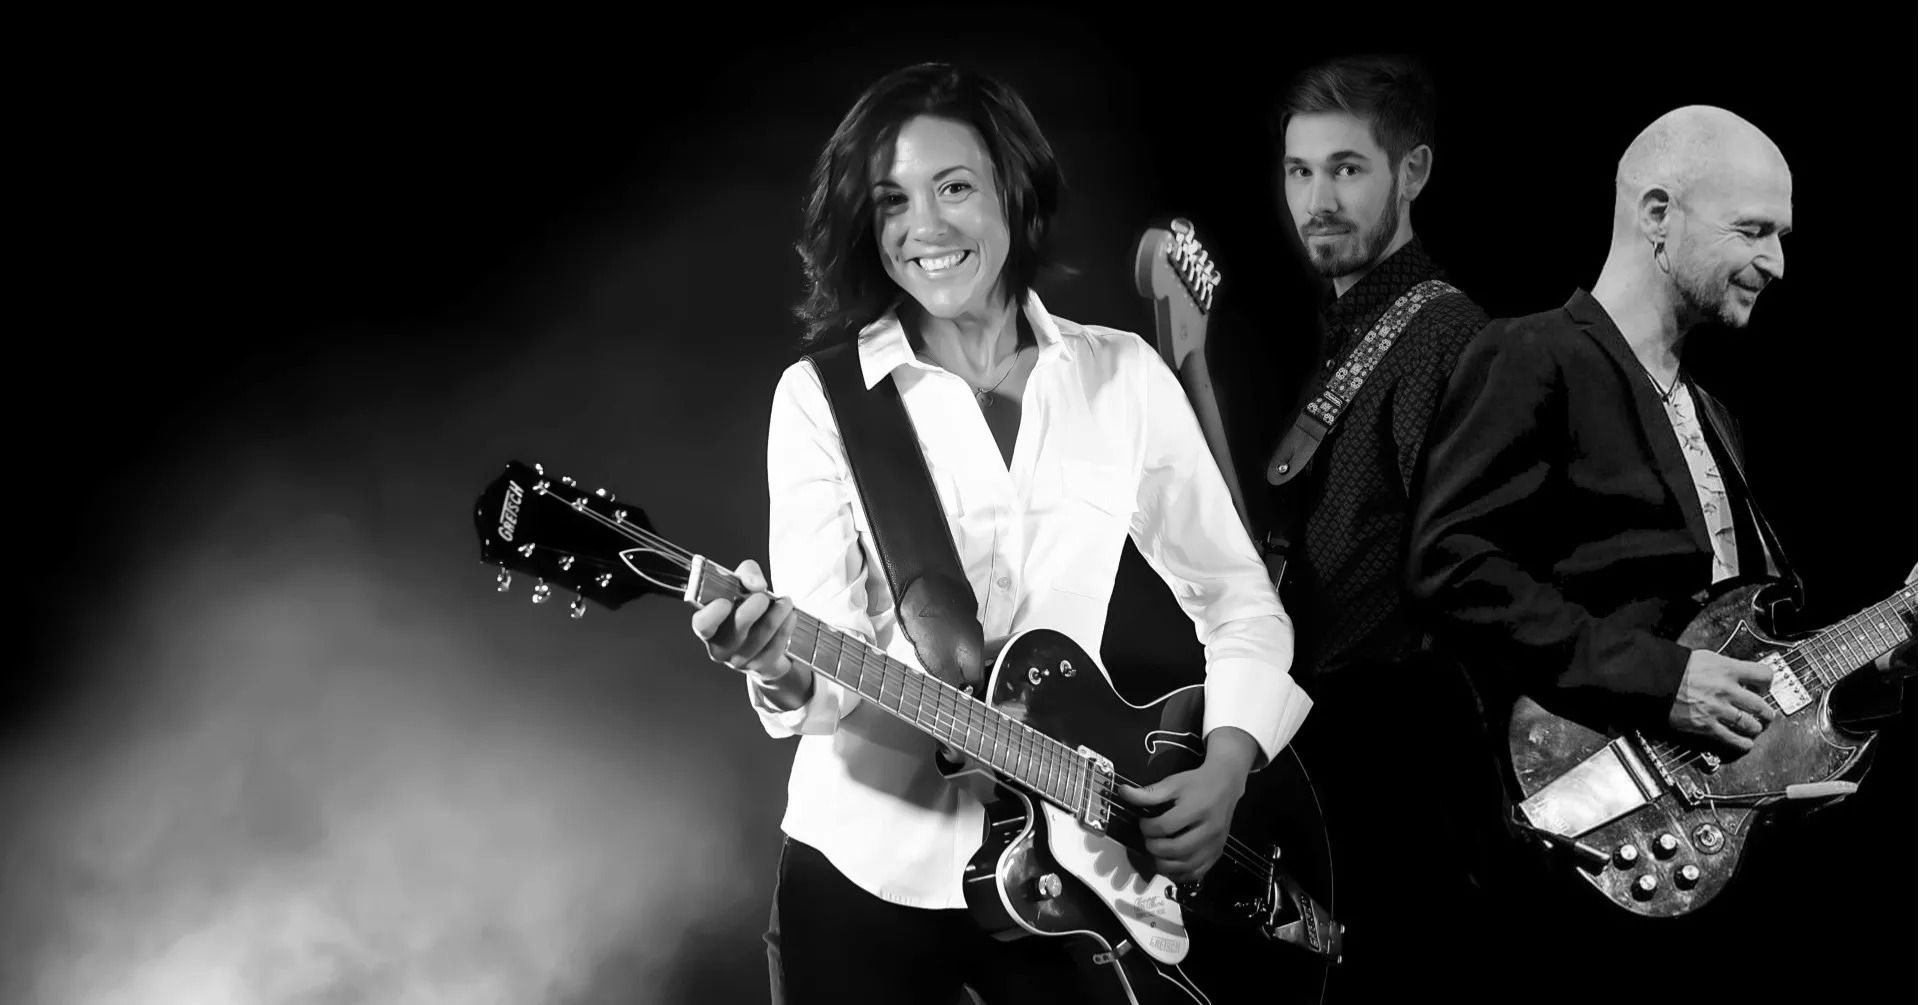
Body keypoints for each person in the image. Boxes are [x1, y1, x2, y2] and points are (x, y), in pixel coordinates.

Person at [686, 62, 1313, 1005]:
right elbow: (823, 668)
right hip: (864, 869)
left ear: (1015, 193)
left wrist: (1226, 764)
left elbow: (1238, 599)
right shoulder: (821, 399)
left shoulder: (1123, 377)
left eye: (954, 188)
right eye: (892, 200)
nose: (924, 229)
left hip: (1081, 871)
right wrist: (774, 664)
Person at [1406, 105, 1913, 1003]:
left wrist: (1878, 665)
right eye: (1752, 230)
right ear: (1656, 215)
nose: (1776, 262)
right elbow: (1453, 566)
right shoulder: (1532, 354)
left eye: (1781, 236)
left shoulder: (1713, 414)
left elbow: (1749, 657)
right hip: (1577, 816)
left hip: (1707, 845)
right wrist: (1664, 679)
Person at [1224, 53, 1502, 1003]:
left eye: (1347, 168)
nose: (1317, 201)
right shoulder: (1347, 331)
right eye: (1299, 171)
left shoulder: (1447, 337)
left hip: (1401, 756)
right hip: (1329, 749)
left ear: (1412, 171)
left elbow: (1464, 571)